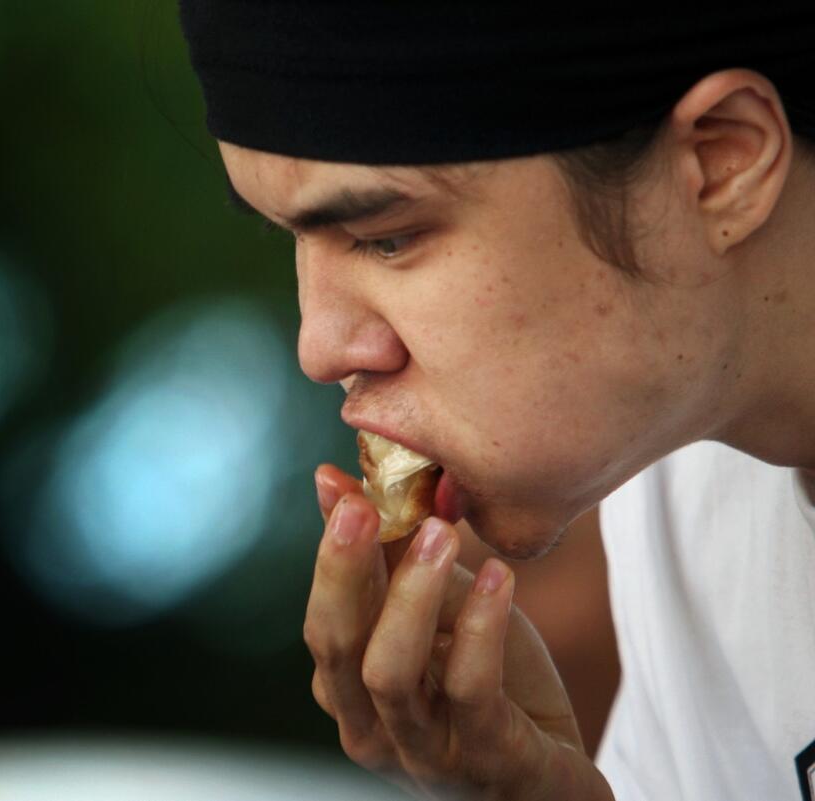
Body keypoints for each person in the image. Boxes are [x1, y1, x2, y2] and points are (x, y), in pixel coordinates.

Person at [178, 3, 815, 800]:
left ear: (722, 164)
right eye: (289, 238)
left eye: (386, 236)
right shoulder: (672, 505)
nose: (322, 348)